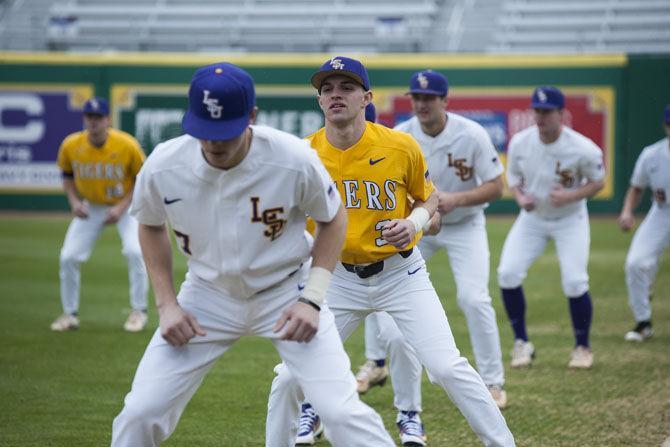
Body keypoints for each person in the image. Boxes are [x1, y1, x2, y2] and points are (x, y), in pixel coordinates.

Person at [111, 62, 395, 447]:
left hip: (286, 290)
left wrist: (312, 298)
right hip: (205, 296)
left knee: (342, 414)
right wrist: (166, 305)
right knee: (140, 413)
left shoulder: (292, 157)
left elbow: (333, 217)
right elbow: (148, 222)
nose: (213, 143)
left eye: (224, 130)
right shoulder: (165, 164)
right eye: (204, 131)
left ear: (252, 117)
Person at [266, 56, 515, 447]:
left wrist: (414, 224)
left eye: (346, 87)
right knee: (287, 377)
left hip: (401, 275)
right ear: (318, 101)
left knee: (447, 368)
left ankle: (502, 443)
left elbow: (429, 200)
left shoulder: (400, 145)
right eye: (327, 89)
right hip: (334, 279)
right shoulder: (303, 155)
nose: (336, 95)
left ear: (367, 97)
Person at [355, 69, 508, 419]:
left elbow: (497, 186)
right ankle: (376, 361)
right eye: (416, 97)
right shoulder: (401, 134)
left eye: (429, 97)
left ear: (444, 101)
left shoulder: (472, 134)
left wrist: (458, 198)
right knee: (375, 276)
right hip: (417, 226)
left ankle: (493, 380)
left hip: (465, 224)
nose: (421, 103)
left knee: (474, 298)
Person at [497, 86, 605, 369]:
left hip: (570, 218)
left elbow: (598, 182)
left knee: (574, 281)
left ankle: (582, 347)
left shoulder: (582, 148)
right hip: (533, 219)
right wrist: (521, 197)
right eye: (537, 111)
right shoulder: (521, 142)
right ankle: (522, 343)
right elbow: (514, 177)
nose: (541, 117)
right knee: (507, 273)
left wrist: (570, 196)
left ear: (561, 113)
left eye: (547, 112)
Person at [51, 97, 149, 332]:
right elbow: (66, 175)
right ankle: (69, 314)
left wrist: (121, 207)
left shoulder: (126, 145)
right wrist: (74, 201)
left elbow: (140, 178)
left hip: (126, 207)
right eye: (89, 117)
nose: (93, 122)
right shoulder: (71, 145)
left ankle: (139, 311)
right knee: (68, 257)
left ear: (108, 119)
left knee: (135, 251)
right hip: (91, 206)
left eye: (98, 117)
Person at [617, 104, 670, 342]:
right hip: (661, 213)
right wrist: (628, 211)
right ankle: (643, 322)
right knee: (636, 263)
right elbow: (636, 187)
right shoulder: (652, 154)